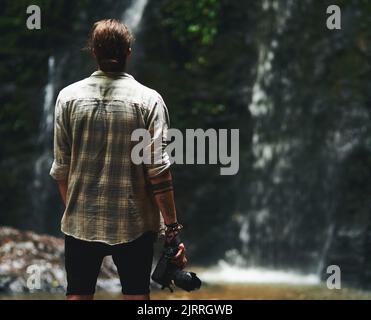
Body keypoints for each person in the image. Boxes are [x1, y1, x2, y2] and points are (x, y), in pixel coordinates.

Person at [49, 19, 186, 300]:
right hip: (133, 222)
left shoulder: (67, 98)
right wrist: (171, 230)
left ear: (93, 52)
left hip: (81, 222)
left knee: (77, 294)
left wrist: (76, 209)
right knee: (136, 295)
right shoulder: (149, 101)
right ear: (128, 53)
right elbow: (158, 172)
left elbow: (61, 169)